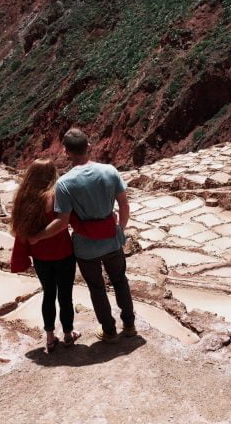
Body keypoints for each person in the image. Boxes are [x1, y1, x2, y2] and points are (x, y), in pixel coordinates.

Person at [29, 128, 135, 342]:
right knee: (120, 281)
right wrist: (120, 230)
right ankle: (130, 325)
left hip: (86, 246)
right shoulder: (110, 171)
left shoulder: (65, 183)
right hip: (112, 240)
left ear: (66, 151)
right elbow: (124, 205)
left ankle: (109, 331)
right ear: (88, 146)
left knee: (97, 288)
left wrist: (38, 236)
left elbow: (62, 222)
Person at [10, 159, 81, 352]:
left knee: (48, 294)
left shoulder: (23, 199)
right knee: (65, 295)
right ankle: (68, 333)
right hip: (64, 253)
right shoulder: (55, 196)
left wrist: (35, 239)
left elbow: (17, 228)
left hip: (40, 257)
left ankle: (50, 336)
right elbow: (62, 222)